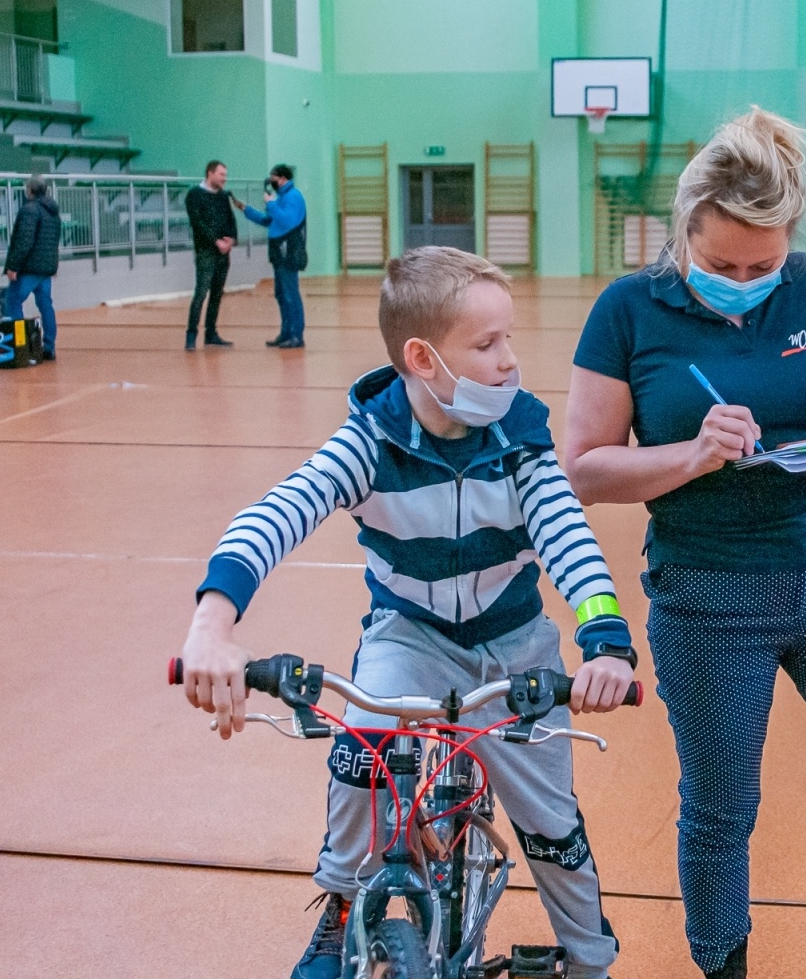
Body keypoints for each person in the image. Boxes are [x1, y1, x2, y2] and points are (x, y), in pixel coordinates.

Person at [562, 107, 806, 979]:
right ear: (686, 229)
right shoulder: (628, 311)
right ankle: (725, 968)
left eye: (764, 262)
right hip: (710, 596)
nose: (745, 279)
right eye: (720, 264)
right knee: (720, 812)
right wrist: (693, 454)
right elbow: (584, 470)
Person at [178, 246, 639, 979]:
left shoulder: (520, 440)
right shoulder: (371, 442)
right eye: (488, 345)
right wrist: (213, 625)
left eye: (509, 339)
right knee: (363, 744)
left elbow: (568, 539)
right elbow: (272, 518)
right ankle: (338, 906)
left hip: (515, 644)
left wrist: (606, 639)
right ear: (423, 358)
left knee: (551, 824)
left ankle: (589, 957)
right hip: (410, 636)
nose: (510, 361)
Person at [232, 163, 308, 349]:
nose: (270, 180)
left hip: (289, 251)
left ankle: (296, 336)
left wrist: (271, 204)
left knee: (291, 294)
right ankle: (285, 333)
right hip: (278, 252)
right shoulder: (280, 197)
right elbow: (268, 220)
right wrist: (246, 209)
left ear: (282, 178)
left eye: (273, 177)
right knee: (281, 294)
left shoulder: (293, 196)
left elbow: (287, 220)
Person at [1, 175, 61, 361]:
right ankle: (49, 347)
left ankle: (21, 345)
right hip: (45, 269)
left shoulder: (29, 210)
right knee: (45, 306)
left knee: (12, 302)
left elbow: (24, 241)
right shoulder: (53, 211)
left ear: (31, 190)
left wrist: (12, 266)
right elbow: (54, 240)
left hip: (29, 269)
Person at [184, 160, 238, 351]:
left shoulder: (223, 196)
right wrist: (216, 241)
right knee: (201, 293)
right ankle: (191, 336)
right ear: (210, 173)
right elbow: (198, 224)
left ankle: (211, 333)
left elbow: (231, 220)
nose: (225, 178)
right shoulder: (194, 195)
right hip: (206, 252)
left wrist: (231, 240)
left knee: (217, 293)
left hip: (223, 252)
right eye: (221, 174)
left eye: (225, 174)